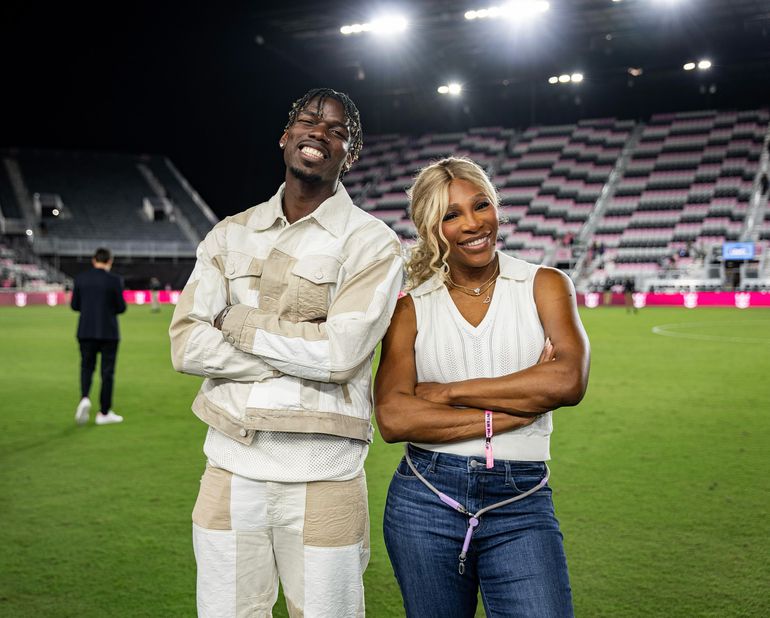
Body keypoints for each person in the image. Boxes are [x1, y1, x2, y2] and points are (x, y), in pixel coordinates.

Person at [169, 88, 403, 617]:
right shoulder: (230, 234)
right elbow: (186, 345)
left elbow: (341, 355)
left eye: (338, 131)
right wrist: (303, 351)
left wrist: (236, 322)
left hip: (326, 476)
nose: (320, 132)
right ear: (285, 136)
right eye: (308, 120)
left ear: (350, 154)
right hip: (229, 468)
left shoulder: (373, 243)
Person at [375, 157, 590, 618]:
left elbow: (567, 380)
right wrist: (513, 411)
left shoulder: (545, 285)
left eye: (481, 205)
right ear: (430, 228)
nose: (473, 224)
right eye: (451, 215)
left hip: (521, 499)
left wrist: (448, 392)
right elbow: (394, 417)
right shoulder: (410, 307)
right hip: (425, 497)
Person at [71, 247, 127, 425]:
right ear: (110, 261)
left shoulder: (81, 279)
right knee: (107, 372)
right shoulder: (115, 280)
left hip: (85, 331)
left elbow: (74, 305)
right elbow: (121, 307)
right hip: (109, 332)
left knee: (86, 367)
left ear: (93, 260)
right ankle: (104, 413)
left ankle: (85, 398)